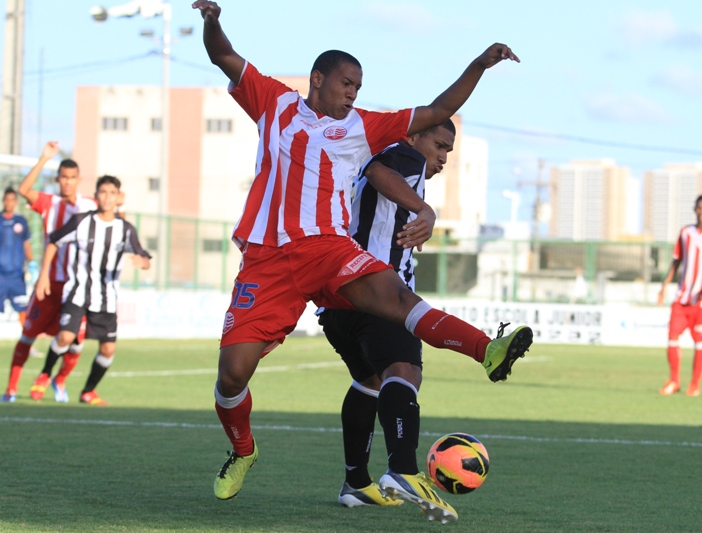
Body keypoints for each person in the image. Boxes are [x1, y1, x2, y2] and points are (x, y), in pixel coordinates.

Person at [192, 1, 532, 516]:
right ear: (318, 79)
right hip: (268, 260)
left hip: (330, 249)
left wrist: (478, 66)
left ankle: (489, 348)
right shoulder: (274, 103)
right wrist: (212, 20)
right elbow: (223, 55)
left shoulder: (364, 126)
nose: (353, 91)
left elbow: (438, 112)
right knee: (232, 374)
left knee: (398, 299)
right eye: (346, 82)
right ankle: (243, 450)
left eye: (358, 85)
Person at [322, 119, 476, 521]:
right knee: (404, 371)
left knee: (369, 381)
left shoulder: (395, 167)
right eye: (439, 145)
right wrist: (423, 207)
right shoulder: (406, 157)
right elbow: (378, 170)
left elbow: (371, 177)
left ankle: (356, 482)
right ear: (413, 137)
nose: (442, 157)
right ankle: (403, 470)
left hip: (336, 300)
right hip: (376, 293)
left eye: (448, 151)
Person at [33, 175, 151, 406]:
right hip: (77, 292)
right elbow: (54, 241)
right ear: (96, 195)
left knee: (108, 350)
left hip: (105, 299)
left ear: (118, 198)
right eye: (103, 192)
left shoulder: (125, 229)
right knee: (66, 336)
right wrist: (43, 275)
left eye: (112, 193)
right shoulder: (81, 221)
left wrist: (143, 262)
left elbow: (143, 254)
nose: (107, 197)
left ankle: (88, 391)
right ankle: (45, 373)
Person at [1, 142, 97, 403]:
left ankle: (58, 380)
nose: (67, 182)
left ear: (78, 180)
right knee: (28, 335)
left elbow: (111, 214)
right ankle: (10, 389)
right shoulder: (48, 202)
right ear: (57, 180)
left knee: (75, 341)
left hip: (76, 288)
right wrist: (44, 158)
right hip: (49, 284)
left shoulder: (90, 205)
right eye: (63, 178)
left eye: (72, 178)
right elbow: (23, 190)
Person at [657, 195, 702, 397]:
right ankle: (674, 381)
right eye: (699, 208)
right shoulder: (685, 233)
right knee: (672, 337)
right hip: (682, 297)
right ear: (695, 210)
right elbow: (676, 262)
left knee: (700, 342)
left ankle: (695, 384)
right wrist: (663, 286)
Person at [0, 188, 34, 328]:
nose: (9, 203)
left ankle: (27, 344)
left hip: (17, 274)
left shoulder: (21, 221)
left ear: (15, 202)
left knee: (23, 308)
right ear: (3, 201)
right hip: (0, 274)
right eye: (6, 199)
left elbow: (26, 244)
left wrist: (32, 264)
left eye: (12, 200)